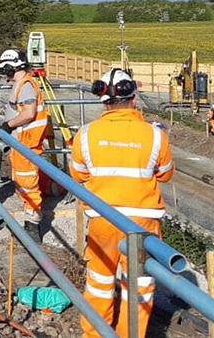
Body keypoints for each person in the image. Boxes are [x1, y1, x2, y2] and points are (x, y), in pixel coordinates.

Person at [70, 68, 173, 338]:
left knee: (100, 283)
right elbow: (165, 174)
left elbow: (78, 174)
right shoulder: (155, 136)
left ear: (103, 101)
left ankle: (94, 334)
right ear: (134, 99)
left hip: (102, 220)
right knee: (138, 287)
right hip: (142, 224)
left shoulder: (85, 134)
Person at [0, 48, 50, 240]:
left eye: (5, 69)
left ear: (11, 67)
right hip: (21, 142)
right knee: (21, 180)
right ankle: (31, 216)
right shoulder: (21, 83)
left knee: (27, 183)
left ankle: (33, 223)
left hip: (26, 142)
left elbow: (28, 113)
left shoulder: (26, 85)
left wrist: (8, 125)